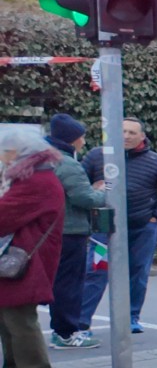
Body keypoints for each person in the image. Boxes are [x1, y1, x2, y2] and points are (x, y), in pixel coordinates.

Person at [81, 117, 157, 334]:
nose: (126, 136)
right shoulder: (97, 156)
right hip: (103, 226)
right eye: (123, 131)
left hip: (141, 228)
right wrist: (93, 192)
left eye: (132, 133)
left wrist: (156, 218)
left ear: (142, 136)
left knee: (137, 272)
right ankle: (81, 323)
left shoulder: (155, 161)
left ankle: (131, 317)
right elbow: (79, 187)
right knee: (96, 271)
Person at [0, 127, 69, 368]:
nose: (3, 157)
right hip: (18, 257)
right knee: (8, 316)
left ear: (22, 153)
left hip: (27, 259)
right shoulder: (30, 177)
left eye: (7, 152)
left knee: (20, 318)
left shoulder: (36, 181)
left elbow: (4, 216)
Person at [44, 114, 105, 350]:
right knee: (69, 283)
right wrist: (103, 192)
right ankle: (66, 333)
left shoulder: (45, 158)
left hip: (51, 230)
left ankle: (62, 330)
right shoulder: (68, 164)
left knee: (58, 281)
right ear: (72, 139)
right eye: (81, 137)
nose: (84, 141)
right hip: (70, 231)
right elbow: (85, 198)